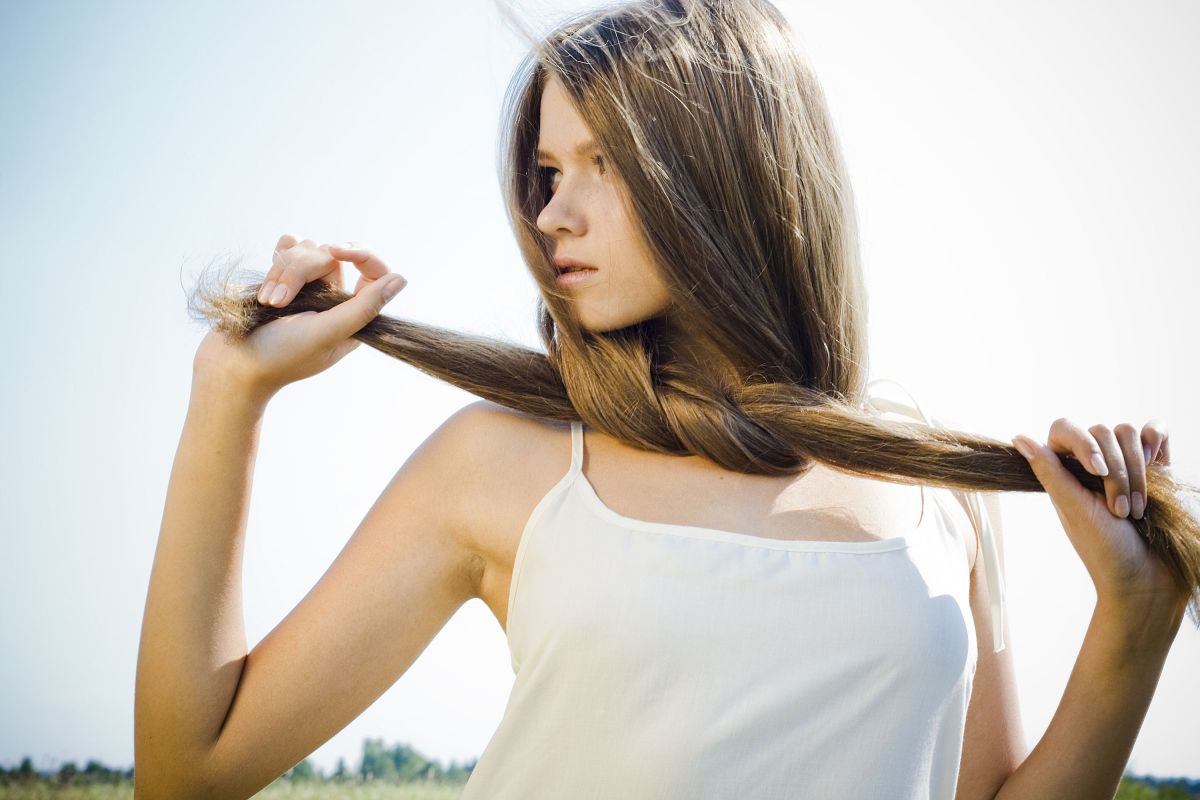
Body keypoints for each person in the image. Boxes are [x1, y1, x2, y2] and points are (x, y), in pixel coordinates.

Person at [135, 1, 1195, 798]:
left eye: (604, 162)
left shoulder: (938, 501)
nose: (553, 211)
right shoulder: (502, 465)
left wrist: (1135, 622)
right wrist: (228, 393)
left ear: (731, 180)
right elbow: (191, 768)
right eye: (548, 169)